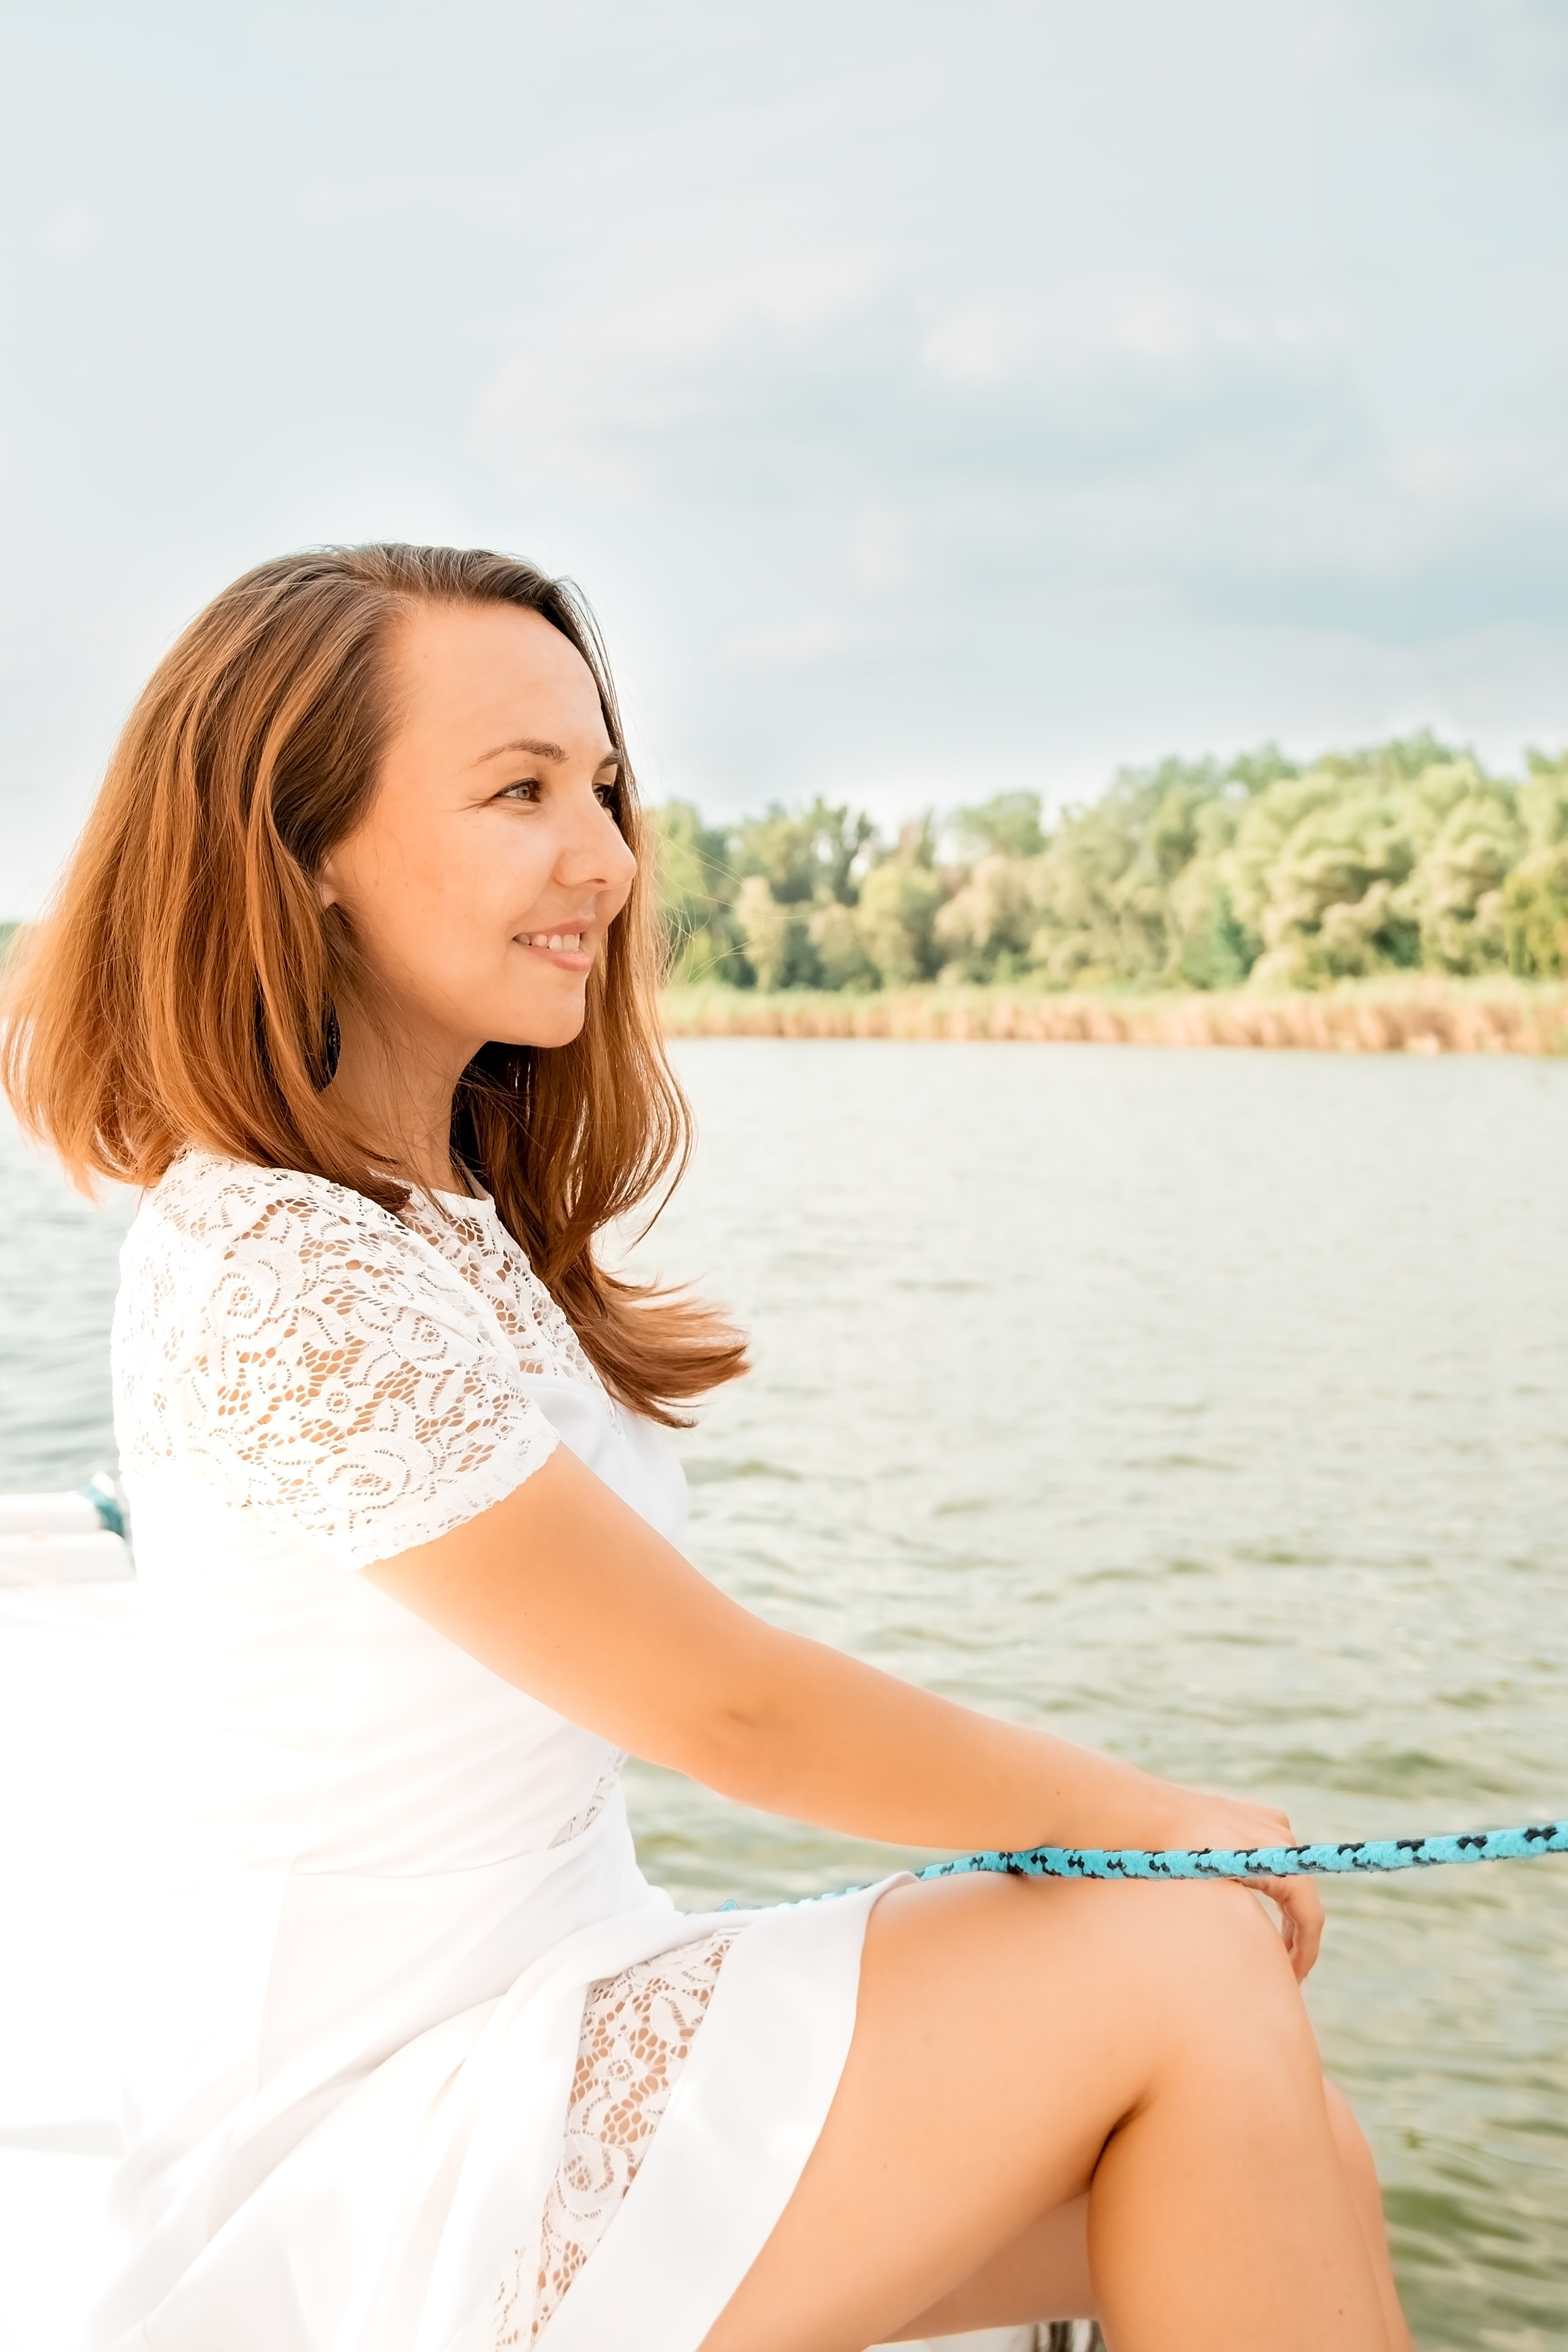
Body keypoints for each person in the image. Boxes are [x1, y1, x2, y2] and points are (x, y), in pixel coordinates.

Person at [2, 545, 1412, 2352]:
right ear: (302, 856)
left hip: (557, 2000)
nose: (606, 854)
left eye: (601, 786)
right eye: (519, 792)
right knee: (1182, 1958)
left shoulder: (429, 1223)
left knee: (1294, 2136)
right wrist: (1151, 1824)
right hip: (371, 2141)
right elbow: (724, 1710)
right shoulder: (277, 1265)